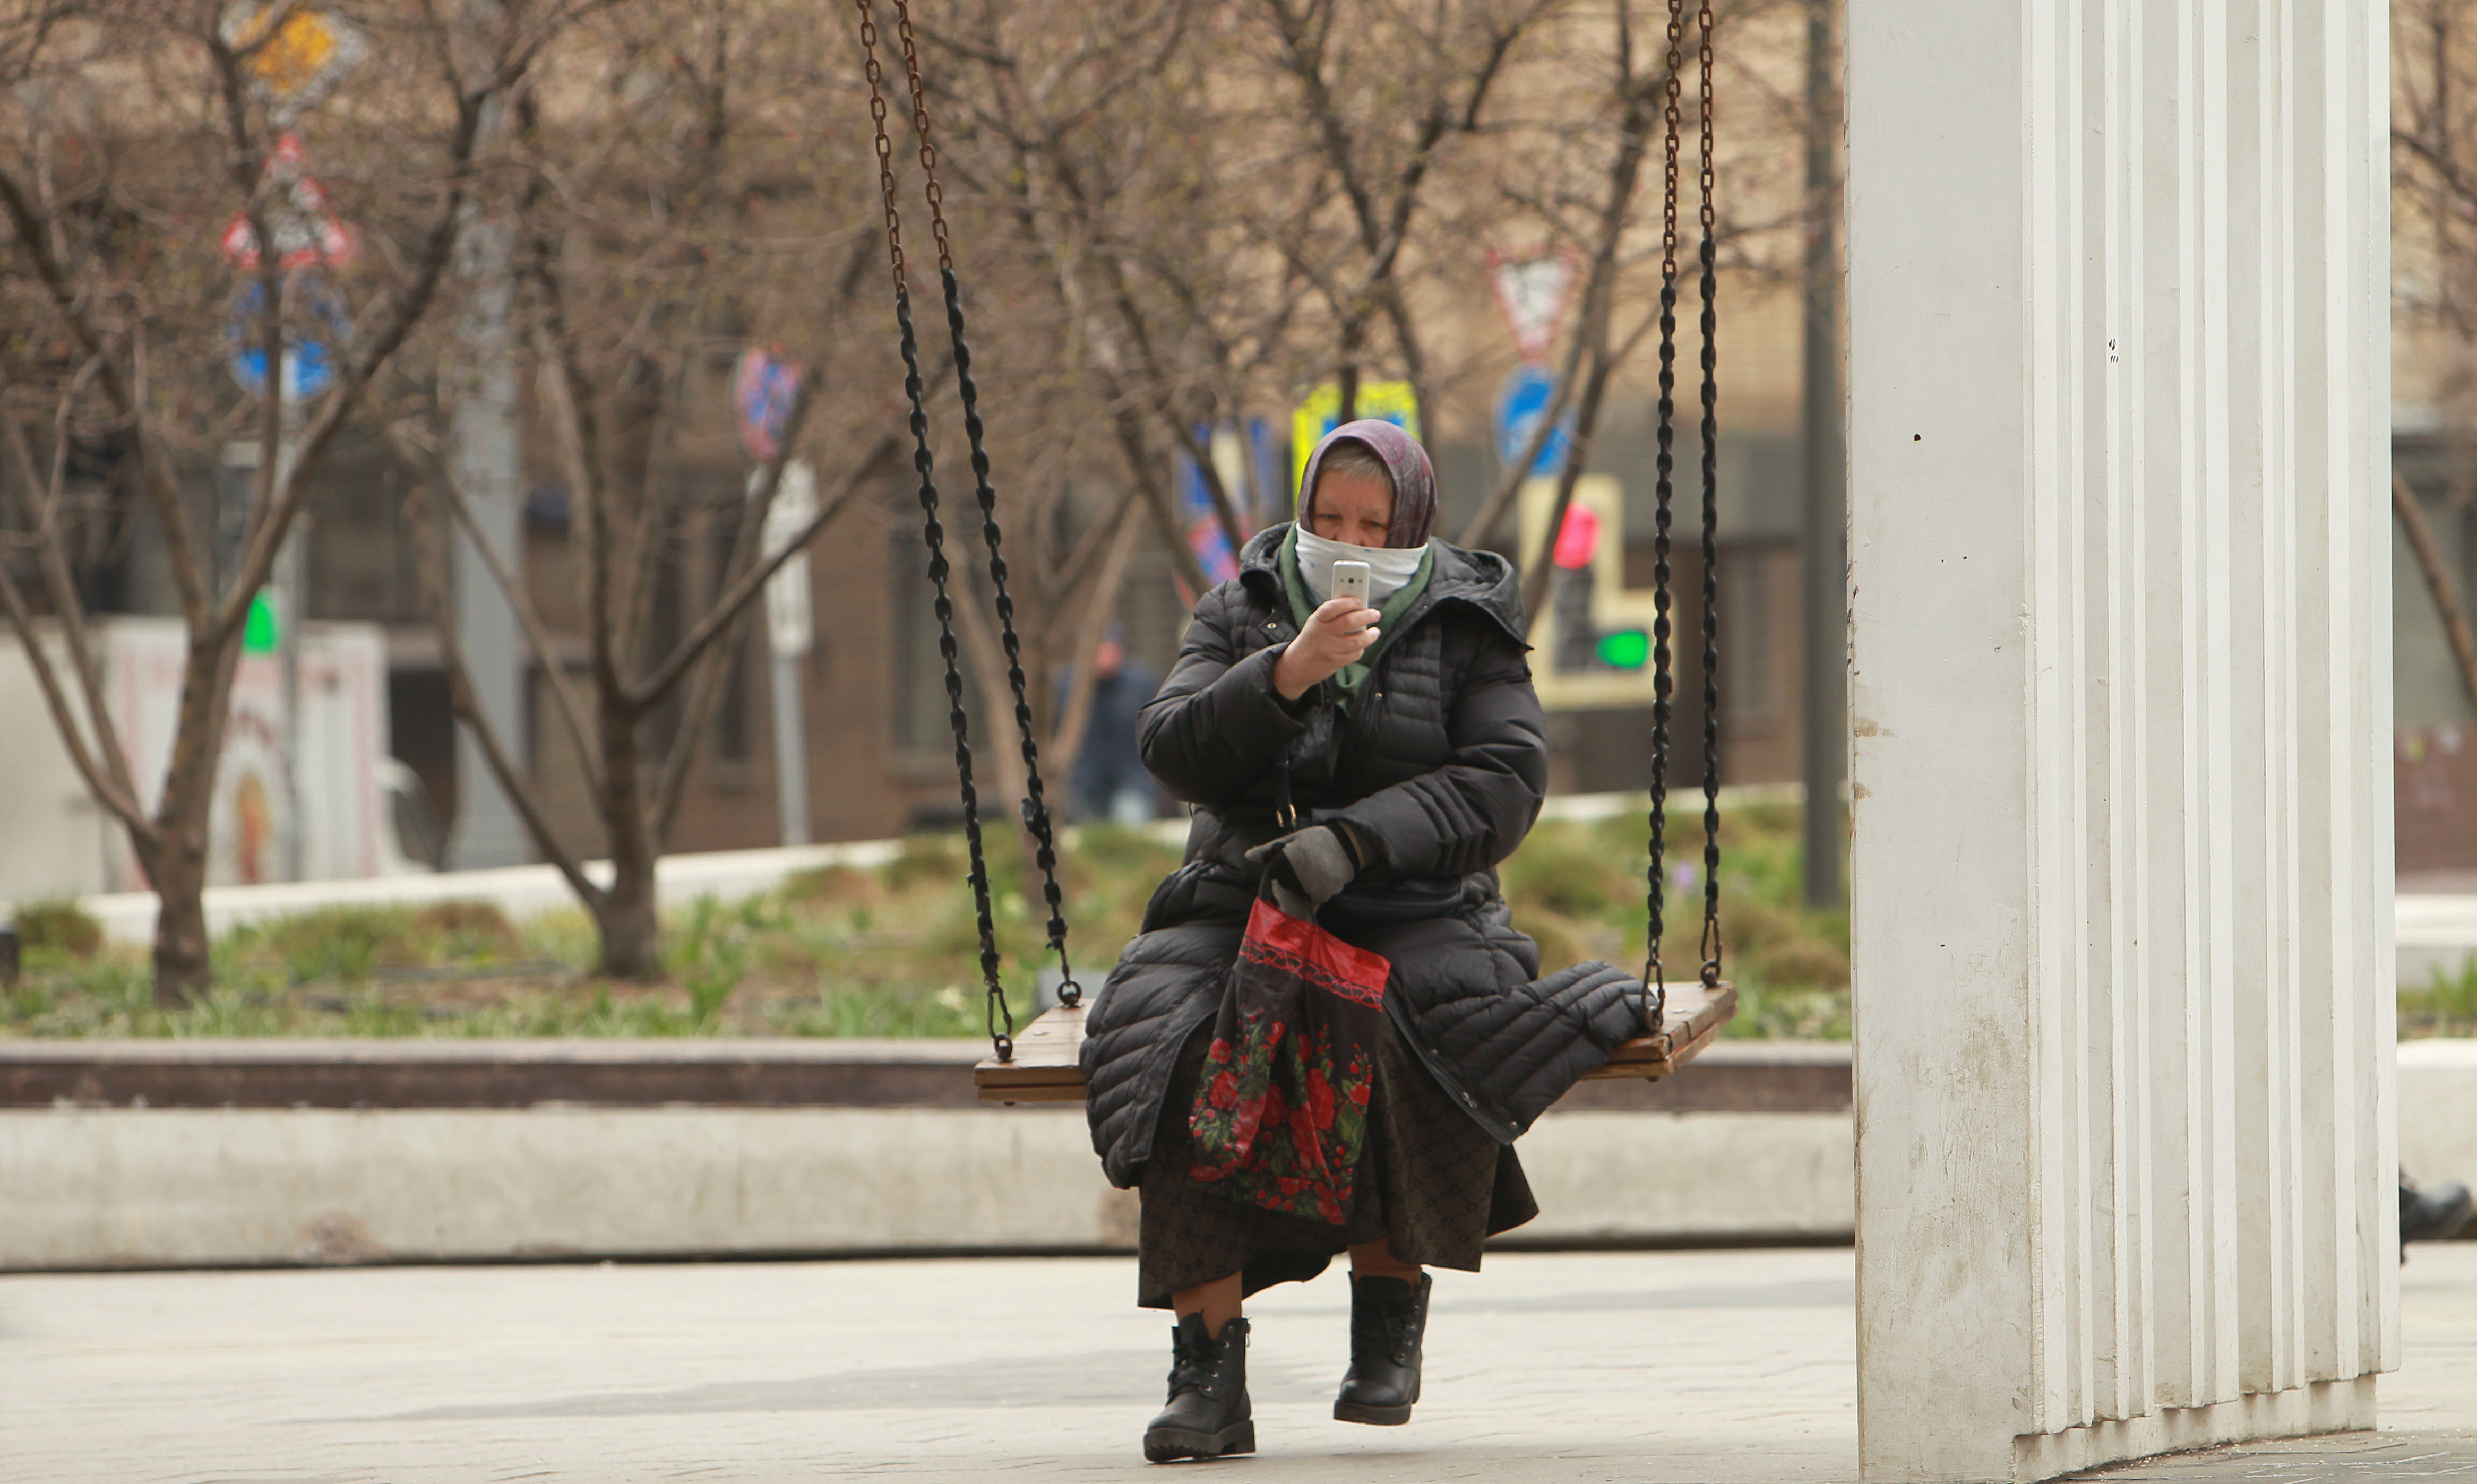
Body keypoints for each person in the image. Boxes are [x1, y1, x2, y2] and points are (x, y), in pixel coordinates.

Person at [1079, 420, 1635, 1464]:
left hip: (1416, 910)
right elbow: (1171, 747)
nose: (1347, 541)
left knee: (1393, 1027)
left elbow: (1503, 780)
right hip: (1239, 905)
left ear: (1412, 526)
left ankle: (1386, 1312)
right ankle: (1206, 1365)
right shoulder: (1240, 608)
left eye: (1372, 525)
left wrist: (1356, 842)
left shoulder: (1465, 624)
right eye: (1327, 519)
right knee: (1183, 1045)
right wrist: (1283, 673)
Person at [1066, 628, 1163, 825]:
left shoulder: (1141, 683)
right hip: (1087, 782)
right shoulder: (1069, 685)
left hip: (1133, 778)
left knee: (1131, 829)